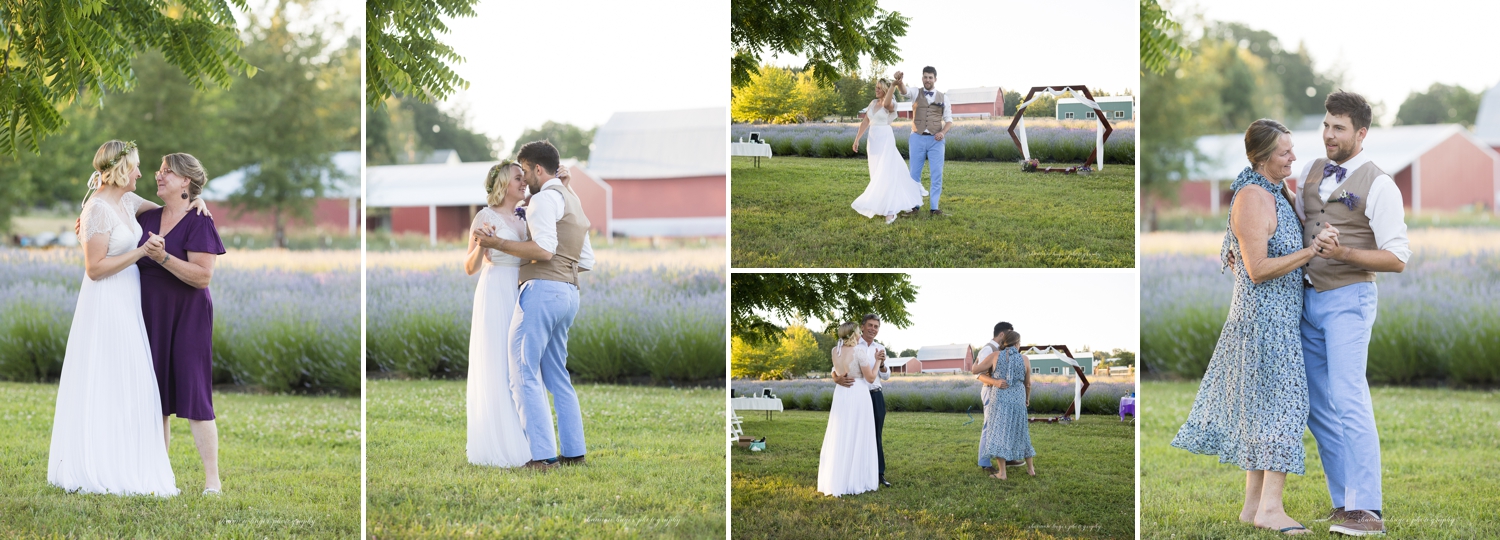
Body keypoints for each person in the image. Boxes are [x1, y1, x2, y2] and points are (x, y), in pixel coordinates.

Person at [1172, 119, 1336, 536]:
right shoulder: (1252, 197)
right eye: (1285, 152)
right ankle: (1270, 510)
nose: (1293, 157)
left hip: (1279, 320)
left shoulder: (1274, 191)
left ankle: (1252, 508)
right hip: (1262, 324)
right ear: (1262, 157)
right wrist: (1310, 252)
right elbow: (1257, 269)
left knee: (1267, 413)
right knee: (1286, 409)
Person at [1295, 91, 1407, 537]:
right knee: (1318, 406)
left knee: (1349, 397)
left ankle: (1370, 510)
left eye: (1338, 127)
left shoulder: (1380, 184)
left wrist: (1343, 251)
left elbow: (1398, 258)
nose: (1328, 134)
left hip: (1350, 301)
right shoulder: (1308, 171)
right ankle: (1344, 502)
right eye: (1326, 125)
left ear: (1361, 133)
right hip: (1308, 301)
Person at [48, 140, 179, 497]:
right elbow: (94, 269)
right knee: (108, 377)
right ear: (121, 169)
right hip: (105, 301)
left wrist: (195, 201)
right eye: (136, 166)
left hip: (128, 300)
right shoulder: (97, 210)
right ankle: (100, 464)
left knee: (132, 378)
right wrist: (141, 252)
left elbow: (172, 211)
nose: (140, 172)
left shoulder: (128, 201)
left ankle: (129, 460)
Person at [475, 141, 594, 469]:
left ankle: (542, 457)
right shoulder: (573, 200)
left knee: (523, 371)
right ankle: (574, 453)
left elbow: (543, 251)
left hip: (543, 292)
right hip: (569, 292)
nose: (525, 179)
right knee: (557, 376)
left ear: (538, 169)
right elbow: (588, 259)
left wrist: (497, 242)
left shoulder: (543, 201)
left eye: (525, 171)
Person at [136, 153, 227, 495]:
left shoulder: (199, 220)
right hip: (149, 316)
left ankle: (212, 482)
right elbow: (109, 209)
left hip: (188, 317)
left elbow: (203, 277)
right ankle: (160, 478)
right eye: (158, 171)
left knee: (195, 396)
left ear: (185, 181)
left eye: (166, 172)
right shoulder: (146, 215)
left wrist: (163, 257)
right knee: (154, 398)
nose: (158, 176)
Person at [464, 159, 534, 468]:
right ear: (505, 183)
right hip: (493, 292)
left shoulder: (526, 215)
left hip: (520, 293)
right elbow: (470, 268)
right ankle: (500, 442)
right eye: (519, 178)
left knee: (518, 367)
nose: (524, 182)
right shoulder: (485, 215)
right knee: (496, 364)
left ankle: (528, 438)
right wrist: (482, 245)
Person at [816, 323, 880, 497]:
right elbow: (871, 378)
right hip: (858, 393)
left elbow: (835, 372)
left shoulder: (834, 351)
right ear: (854, 334)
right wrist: (879, 361)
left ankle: (840, 478)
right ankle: (856, 479)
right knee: (858, 433)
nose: (860, 334)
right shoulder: (858, 351)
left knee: (842, 434)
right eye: (859, 331)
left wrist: (836, 377)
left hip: (842, 395)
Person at [851, 78, 924, 224]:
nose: (876, 90)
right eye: (876, 88)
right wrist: (857, 139)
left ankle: (890, 210)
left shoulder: (891, 103)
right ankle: (882, 203)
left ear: (885, 89)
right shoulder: (872, 103)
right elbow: (866, 121)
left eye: (879, 88)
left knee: (886, 171)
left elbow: (886, 104)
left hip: (885, 138)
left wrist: (893, 86)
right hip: (873, 140)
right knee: (877, 171)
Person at [831, 314, 893, 487]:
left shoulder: (880, 348)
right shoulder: (852, 346)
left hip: (875, 394)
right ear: (863, 327)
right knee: (855, 434)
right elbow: (834, 369)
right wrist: (836, 379)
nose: (874, 329)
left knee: (876, 436)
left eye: (877, 326)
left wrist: (881, 363)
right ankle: (858, 472)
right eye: (871, 325)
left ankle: (878, 473)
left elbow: (886, 375)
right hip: (856, 396)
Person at [893, 66, 953, 216]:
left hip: (935, 141)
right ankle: (914, 207)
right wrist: (899, 82)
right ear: (922, 78)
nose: (927, 80)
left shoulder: (943, 97)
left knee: (937, 173)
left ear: (935, 79)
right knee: (914, 174)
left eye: (930, 77)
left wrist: (943, 132)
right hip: (917, 138)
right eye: (925, 77)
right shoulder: (915, 92)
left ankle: (934, 208)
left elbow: (949, 120)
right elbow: (903, 91)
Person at [976, 330, 1035, 479]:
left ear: (1004, 342)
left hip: (1000, 400)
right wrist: (1027, 399)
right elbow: (1028, 384)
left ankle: (1002, 473)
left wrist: (977, 362)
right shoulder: (1025, 359)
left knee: (999, 434)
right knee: (1022, 432)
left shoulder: (995, 356)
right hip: (1018, 400)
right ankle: (1031, 469)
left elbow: (975, 370)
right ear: (1017, 343)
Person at [971, 321, 1022, 471]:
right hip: (990, 390)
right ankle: (985, 463)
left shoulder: (1002, 350)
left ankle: (1006, 458)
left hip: (1001, 393)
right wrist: (995, 382)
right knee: (989, 426)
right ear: (1001, 334)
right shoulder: (988, 349)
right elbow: (978, 374)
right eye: (1008, 334)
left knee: (1003, 426)